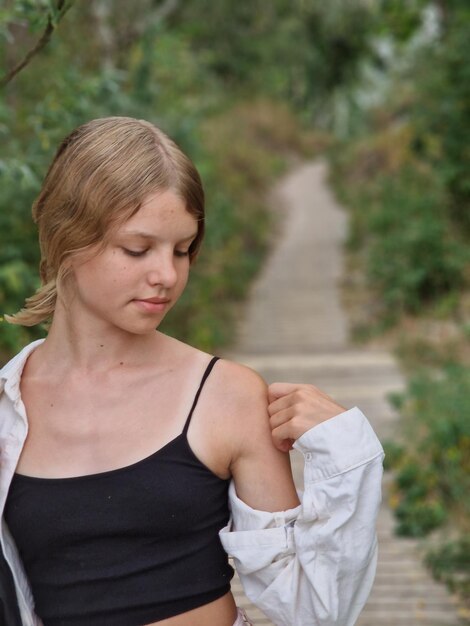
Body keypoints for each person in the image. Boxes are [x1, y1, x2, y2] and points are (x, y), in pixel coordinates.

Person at [0, 117, 384, 626]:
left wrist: (345, 454)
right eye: (137, 250)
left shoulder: (227, 396)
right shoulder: (8, 408)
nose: (166, 276)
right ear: (68, 236)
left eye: (182, 251)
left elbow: (313, 609)